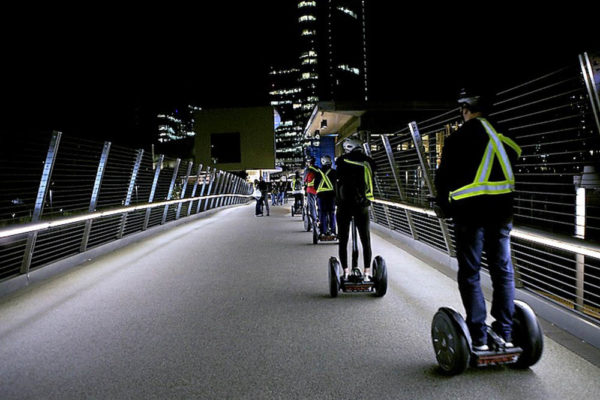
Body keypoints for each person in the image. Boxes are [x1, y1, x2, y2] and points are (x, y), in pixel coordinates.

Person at [434, 88, 521, 351]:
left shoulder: (457, 138)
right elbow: (515, 157)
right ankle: (505, 333)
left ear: (465, 110)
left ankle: (479, 337)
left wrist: (444, 205)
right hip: (502, 212)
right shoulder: (505, 136)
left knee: (471, 272)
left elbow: (443, 180)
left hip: (469, 215)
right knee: (503, 271)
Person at [335, 137, 377, 280]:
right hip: (362, 205)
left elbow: (338, 182)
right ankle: (366, 273)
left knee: (343, 239)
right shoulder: (369, 162)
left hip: (345, 205)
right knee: (365, 240)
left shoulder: (341, 161)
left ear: (348, 147)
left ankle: (346, 272)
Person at [314, 155, 337, 239]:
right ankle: (333, 231)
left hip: (321, 196)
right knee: (332, 213)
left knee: (322, 213)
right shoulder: (334, 172)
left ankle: (323, 232)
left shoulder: (318, 173)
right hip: (331, 196)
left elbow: (315, 186)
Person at [304, 157, 319, 228]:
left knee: (312, 206)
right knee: (319, 205)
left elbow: (305, 180)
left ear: (309, 163)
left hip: (310, 190)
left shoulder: (307, 170)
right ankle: (320, 218)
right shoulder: (318, 169)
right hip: (319, 190)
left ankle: (314, 221)